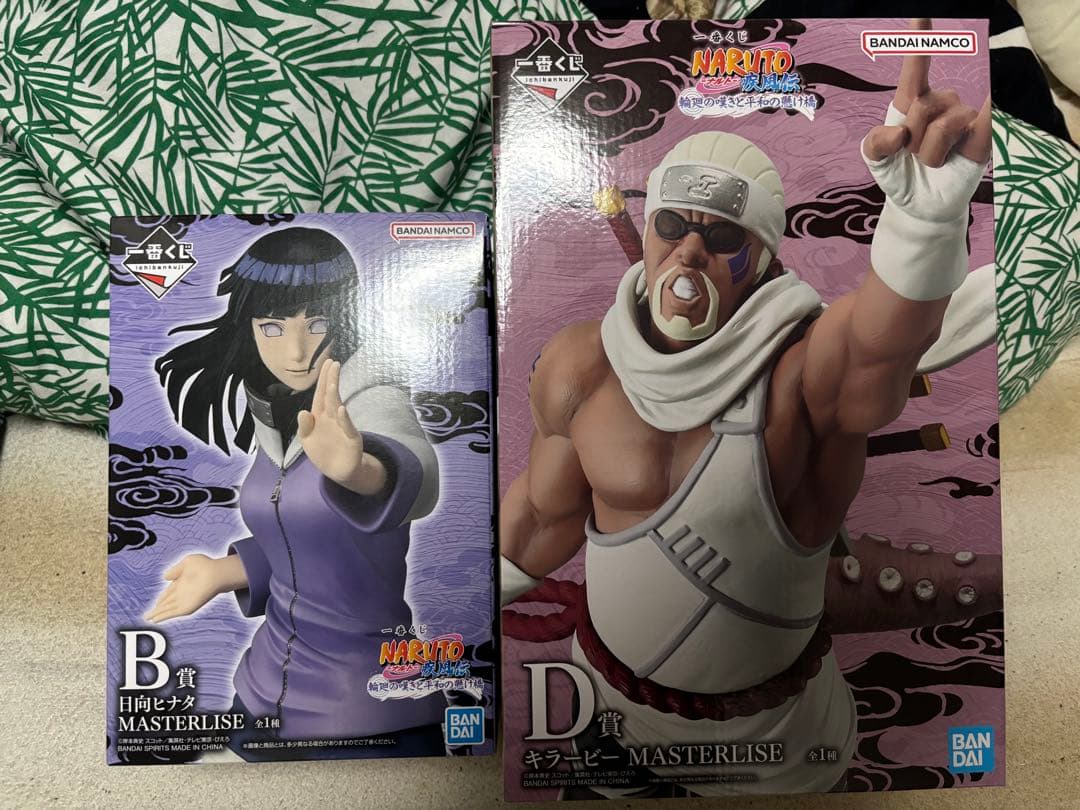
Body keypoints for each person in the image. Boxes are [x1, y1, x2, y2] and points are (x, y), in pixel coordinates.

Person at [500, 26, 1001, 796]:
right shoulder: (581, 366)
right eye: (673, 225)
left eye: (722, 236)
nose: (689, 253)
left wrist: (922, 226)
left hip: (776, 745)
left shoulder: (799, 374)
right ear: (648, 230)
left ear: (763, 261)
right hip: (604, 716)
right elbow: (541, 518)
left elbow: (876, 347)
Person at [146, 226, 444, 760]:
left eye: (318, 323)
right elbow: (304, 542)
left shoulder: (367, 401)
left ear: (346, 319)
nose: (297, 351)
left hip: (367, 704)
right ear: (249, 328)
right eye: (272, 327)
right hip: (260, 693)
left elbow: (415, 475)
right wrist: (223, 571)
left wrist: (361, 471)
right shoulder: (278, 419)